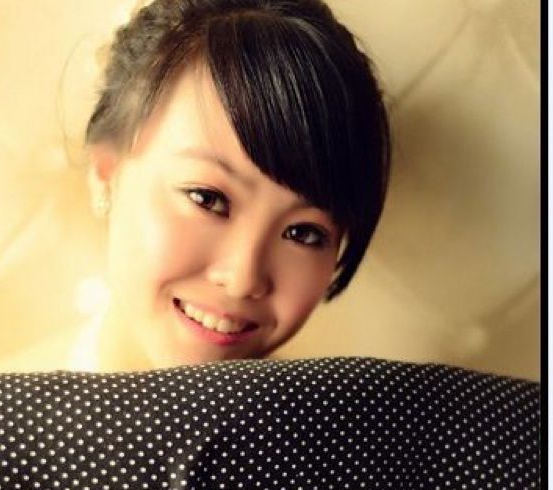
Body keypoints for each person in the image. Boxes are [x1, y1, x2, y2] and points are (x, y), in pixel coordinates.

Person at [84, 0, 390, 372]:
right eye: (207, 199)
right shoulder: (20, 403)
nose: (243, 280)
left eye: (304, 233)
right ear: (106, 172)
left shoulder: (352, 408)